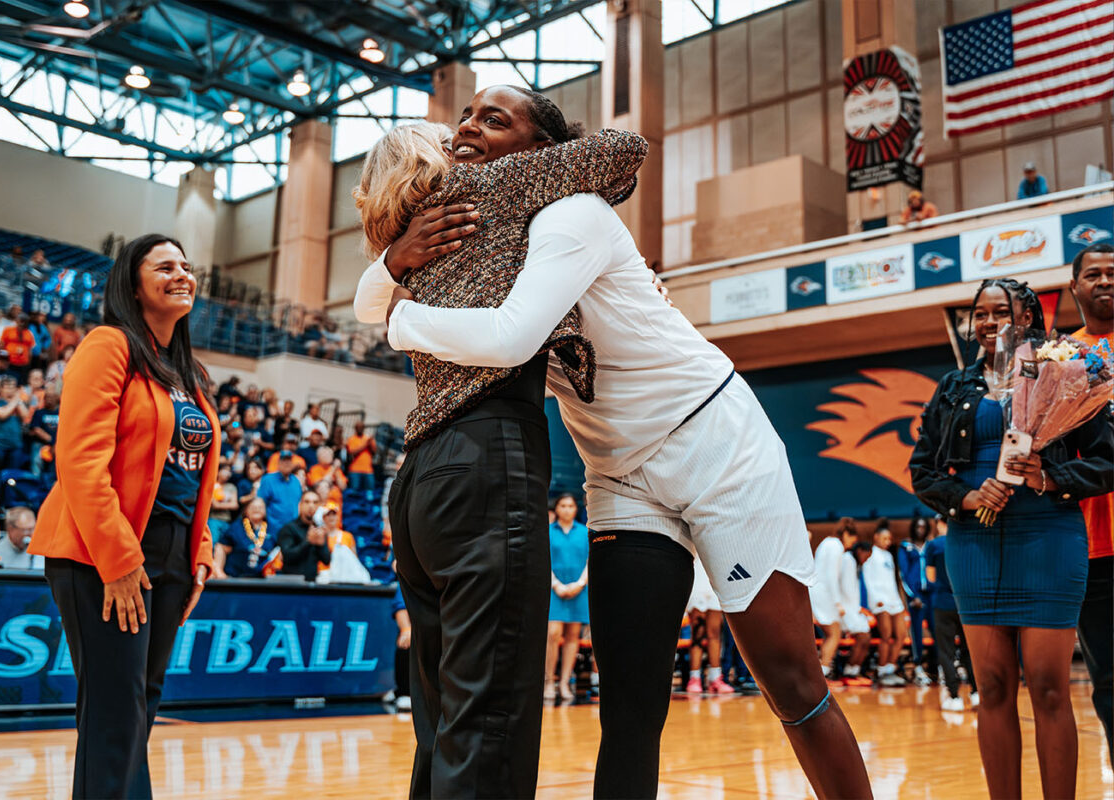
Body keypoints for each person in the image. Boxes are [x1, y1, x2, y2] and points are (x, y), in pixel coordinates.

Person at [357, 87, 871, 798]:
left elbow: (509, 338)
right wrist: (390, 264)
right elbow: (369, 299)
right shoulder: (488, 229)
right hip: (619, 475)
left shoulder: (574, 214)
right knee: (628, 704)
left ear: (542, 151)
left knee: (791, 683)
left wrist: (401, 317)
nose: (468, 127)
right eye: (466, 115)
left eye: (494, 119)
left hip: (715, 443)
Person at [355, 89, 653, 799]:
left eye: (484, 121)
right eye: (455, 127)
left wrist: (391, 261)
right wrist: (546, 157)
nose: (465, 130)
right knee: (488, 718)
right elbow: (626, 149)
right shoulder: (495, 186)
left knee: (441, 720)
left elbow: (367, 305)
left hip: (421, 474)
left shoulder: (408, 235)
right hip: (486, 452)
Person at [28, 233, 219, 799]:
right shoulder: (108, 345)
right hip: (105, 550)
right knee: (115, 714)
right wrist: (118, 561)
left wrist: (199, 552)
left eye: (186, 266)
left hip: (171, 554)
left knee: (139, 710)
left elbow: (191, 475)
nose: (182, 274)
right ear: (133, 286)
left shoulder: (189, 372)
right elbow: (80, 462)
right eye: (164, 267)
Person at [910, 278, 1112, 800]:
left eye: (1001, 311)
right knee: (993, 687)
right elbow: (922, 471)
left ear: (1027, 318)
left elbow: (1107, 462)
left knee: (1048, 687)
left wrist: (1049, 478)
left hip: (1048, 538)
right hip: (974, 543)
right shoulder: (953, 387)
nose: (988, 321)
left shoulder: (1065, 373)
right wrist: (966, 497)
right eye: (980, 312)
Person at [1069, 241, 1113, 757]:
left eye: (1112, 273)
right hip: (1092, 545)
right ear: (1075, 286)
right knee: (1109, 679)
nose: (1105, 281)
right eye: (1094, 274)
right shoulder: (1060, 357)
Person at [924, 521, 977, 712]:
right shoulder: (965, 540)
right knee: (969, 649)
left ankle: (954, 697)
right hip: (964, 602)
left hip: (943, 603)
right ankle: (976, 693)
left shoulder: (934, 545)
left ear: (940, 523)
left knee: (946, 651)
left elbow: (930, 577)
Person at [545, 493, 589, 703]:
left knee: (573, 636)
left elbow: (590, 560)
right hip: (554, 590)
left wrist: (579, 584)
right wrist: (557, 585)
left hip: (578, 590)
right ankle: (548, 681)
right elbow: (544, 560)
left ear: (576, 509)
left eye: (570, 506)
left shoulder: (584, 531)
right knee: (553, 634)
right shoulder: (548, 532)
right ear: (556, 508)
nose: (567, 509)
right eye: (562, 505)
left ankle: (564, 683)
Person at [810, 518, 858, 680]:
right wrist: (837, 602)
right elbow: (832, 576)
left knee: (828, 635)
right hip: (825, 595)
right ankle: (822, 673)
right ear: (846, 534)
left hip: (817, 592)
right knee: (834, 634)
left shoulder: (826, 542)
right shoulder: (836, 546)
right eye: (851, 540)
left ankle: (822, 670)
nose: (850, 545)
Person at [862, 523, 908, 687]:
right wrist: (875, 599)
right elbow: (868, 579)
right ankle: (881, 670)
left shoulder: (888, 555)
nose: (888, 542)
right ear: (876, 537)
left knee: (901, 635)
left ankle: (890, 668)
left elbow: (892, 581)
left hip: (894, 600)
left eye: (889, 539)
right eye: (885, 538)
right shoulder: (871, 554)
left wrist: (899, 600)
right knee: (886, 636)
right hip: (880, 601)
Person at [687, 556, 733, 695]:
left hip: (714, 582)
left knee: (715, 634)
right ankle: (694, 678)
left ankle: (715, 678)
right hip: (696, 583)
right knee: (697, 635)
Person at [898, 517, 933, 686]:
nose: (920, 529)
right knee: (917, 632)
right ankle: (918, 666)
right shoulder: (906, 547)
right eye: (918, 526)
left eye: (923, 526)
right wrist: (913, 596)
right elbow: (904, 574)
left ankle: (938, 667)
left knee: (937, 631)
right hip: (915, 596)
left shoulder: (931, 545)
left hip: (931, 594)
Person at [212, 496, 276, 579]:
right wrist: (219, 571)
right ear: (246, 510)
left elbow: (277, 553)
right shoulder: (236, 527)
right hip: (235, 579)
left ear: (265, 510)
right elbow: (221, 547)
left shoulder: (272, 529)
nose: (257, 509)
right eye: (253, 507)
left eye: (260, 507)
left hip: (263, 580)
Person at [276, 489, 333, 580]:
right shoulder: (289, 528)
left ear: (319, 506)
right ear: (300, 505)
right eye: (307, 502)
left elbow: (326, 561)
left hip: (312, 583)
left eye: (315, 502)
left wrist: (321, 546)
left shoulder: (319, 529)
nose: (311, 506)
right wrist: (308, 542)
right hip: (290, 583)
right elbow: (287, 556)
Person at [839, 542, 874, 687]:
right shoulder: (847, 560)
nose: (866, 560)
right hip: (845, 608)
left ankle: (854, 671)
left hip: (853, 609)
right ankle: (848, 673)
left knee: (866, 638)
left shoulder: (856, 564)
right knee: (862, 637)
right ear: (860, 550)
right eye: (866, 556)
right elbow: (846, 589)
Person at [0, 506, 44, 570]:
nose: (31, 534)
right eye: (26, 530)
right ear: (10, 529)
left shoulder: (41, 553)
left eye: (33, 529)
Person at [0, 376, 31, 469]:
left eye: (13, 387)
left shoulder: (19, 403)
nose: (10, 390)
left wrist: (18, 401)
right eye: (7, 387)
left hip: (16, 444)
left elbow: (26, 417)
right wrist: (16, 400)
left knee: (13, 472)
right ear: (1, 389)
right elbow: (2, 415)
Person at [256, 449, 302, 530]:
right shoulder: (268, 480)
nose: (287, 463)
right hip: (273, 529)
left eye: (289, 461)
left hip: (293, 529)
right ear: (278, 464)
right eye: (283, 460)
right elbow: (260, 504)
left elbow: (299, 504)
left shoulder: (296, 481)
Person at [28, 389, 60, 481]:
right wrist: (51, 441)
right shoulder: (39, 413)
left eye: (52, 397)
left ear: (57, 399)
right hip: (41, 444)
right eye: (47, 397)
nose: (49, 400)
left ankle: (52, 483)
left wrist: (55, 444)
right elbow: (36, 429)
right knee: (36, 460)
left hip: (58, 445)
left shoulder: (62, 412)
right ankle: (35, 481)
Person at [0, 314, 36, 382]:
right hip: (9, 363)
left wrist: (28, 364)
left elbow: (30, 350)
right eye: (21, 321)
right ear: (16, 321)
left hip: (23, 365)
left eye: (25, 321)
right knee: (8, 381)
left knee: (21, 382)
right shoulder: (8, 330)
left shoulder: (29, 333)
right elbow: (1, 346)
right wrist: (2, 361)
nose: (22, 323)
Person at [207, 464, 239, 542]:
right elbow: (214, 505)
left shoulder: (231, 487)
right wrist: (228, 504)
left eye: (229, 471)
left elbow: (235, 505)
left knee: (223, 544)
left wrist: (219, 505)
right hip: (213, 519)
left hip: (227, 520)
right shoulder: (211, 484)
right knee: (212, 542)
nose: (228, 473)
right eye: (225, 470)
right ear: (218, 471)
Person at [345, 421, 377, 492]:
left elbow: (374, 452)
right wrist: (365, 444)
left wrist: (371, 444)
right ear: (355, 428)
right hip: (355, 470)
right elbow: (352, 452)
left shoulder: (368, 438)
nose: (360, 429)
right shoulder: (351, 439)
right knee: (354, 492)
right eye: (358, 427)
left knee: (369, 492)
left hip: (368, 470)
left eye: (362, 427)